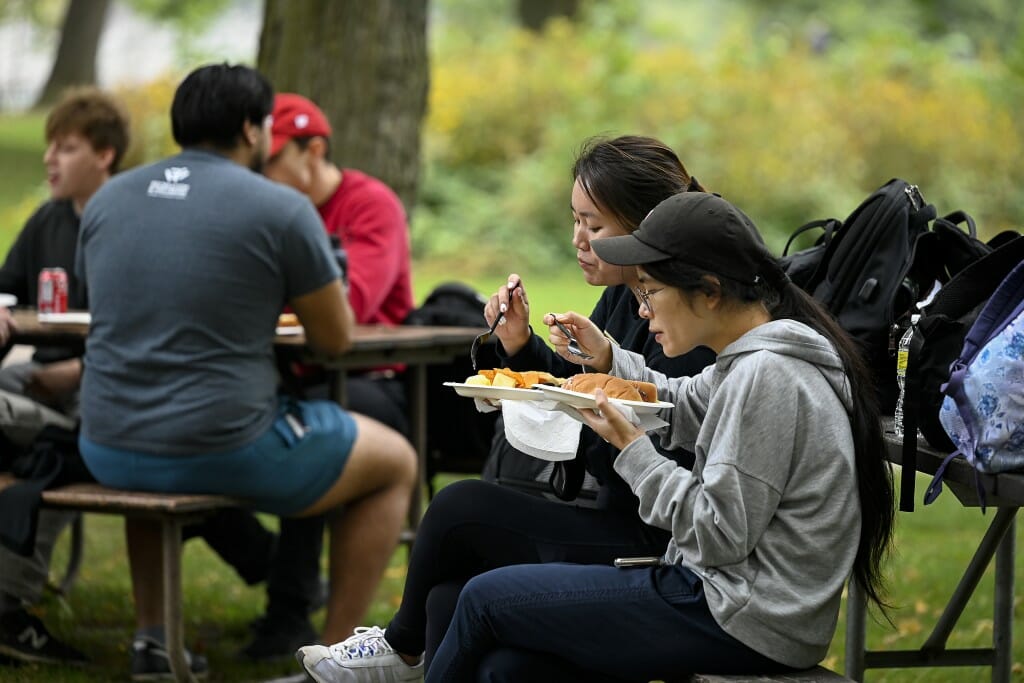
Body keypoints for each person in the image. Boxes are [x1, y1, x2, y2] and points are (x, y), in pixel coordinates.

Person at [424, 191, 897, 681]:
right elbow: (682, 403)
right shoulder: (753, 360)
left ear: (709, 291)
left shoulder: (769, 375)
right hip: (730, 600)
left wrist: (634, 452)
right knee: (509, 669)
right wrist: (608, 358)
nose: (643, 310)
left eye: (650, 292)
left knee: (483, 598)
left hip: (742, 615)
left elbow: (719, 535)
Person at [295, 135, 716, 682]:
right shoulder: (623, 292)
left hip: (656, 541)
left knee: (459, 507)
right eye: (575, 221)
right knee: (446, 598)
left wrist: (573, 406)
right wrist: (521, 350)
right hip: (614, 513)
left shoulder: (684, 310)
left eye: (594, 226)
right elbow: (586, 387)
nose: (578, 240)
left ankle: (400, 650)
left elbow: (647, 428)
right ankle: (404, 650)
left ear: (644, 225)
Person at [75, 63, 417, 681]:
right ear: (251, 130)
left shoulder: (108, 198)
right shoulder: (282, 209)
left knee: (151, 432)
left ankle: (153, 640)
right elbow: (335, 338)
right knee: (394, 463)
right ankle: (337, 658)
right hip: (224, 442)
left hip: (106, 442)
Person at [235, 92, 417, 660]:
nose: (260, 175)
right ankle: (280, 580)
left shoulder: (370, 204)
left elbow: (352, 303)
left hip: (372, 381)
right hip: (287, 373)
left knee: (314, 425)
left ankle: (293, 616)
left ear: (313, 150)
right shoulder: (265, 208)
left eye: (271, 161)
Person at [0, 86, 129, 666]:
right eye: (48, 145)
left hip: (101, 398)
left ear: (105, 154)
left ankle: (9, 607)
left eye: (67, 147)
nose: (50, 158)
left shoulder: (131, 222)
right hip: (37, 383)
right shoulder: (48, 220)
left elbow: (143, 330)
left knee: (43, 463)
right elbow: (9, 288)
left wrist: (78, 369)